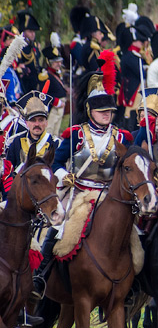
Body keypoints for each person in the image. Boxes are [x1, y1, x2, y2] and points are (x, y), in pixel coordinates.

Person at [35, 57, 133, 299]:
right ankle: (40, 276)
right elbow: (56, 162)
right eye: (101, 112)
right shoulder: (75, 134)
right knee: (58, 227)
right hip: (78, 192)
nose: (106, 115)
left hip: (110, 195)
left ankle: (135, 286)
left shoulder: (123, 137)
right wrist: (62, 175)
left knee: (136, 234)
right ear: (90, 111)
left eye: (109, 111)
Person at [5, 91, 58, 171]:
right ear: (26, 123)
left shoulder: (55, 143)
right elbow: (8, 170)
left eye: (40, 120)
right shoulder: (16, 141)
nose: (37, 124)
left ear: (46, 123)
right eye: (33, 120)